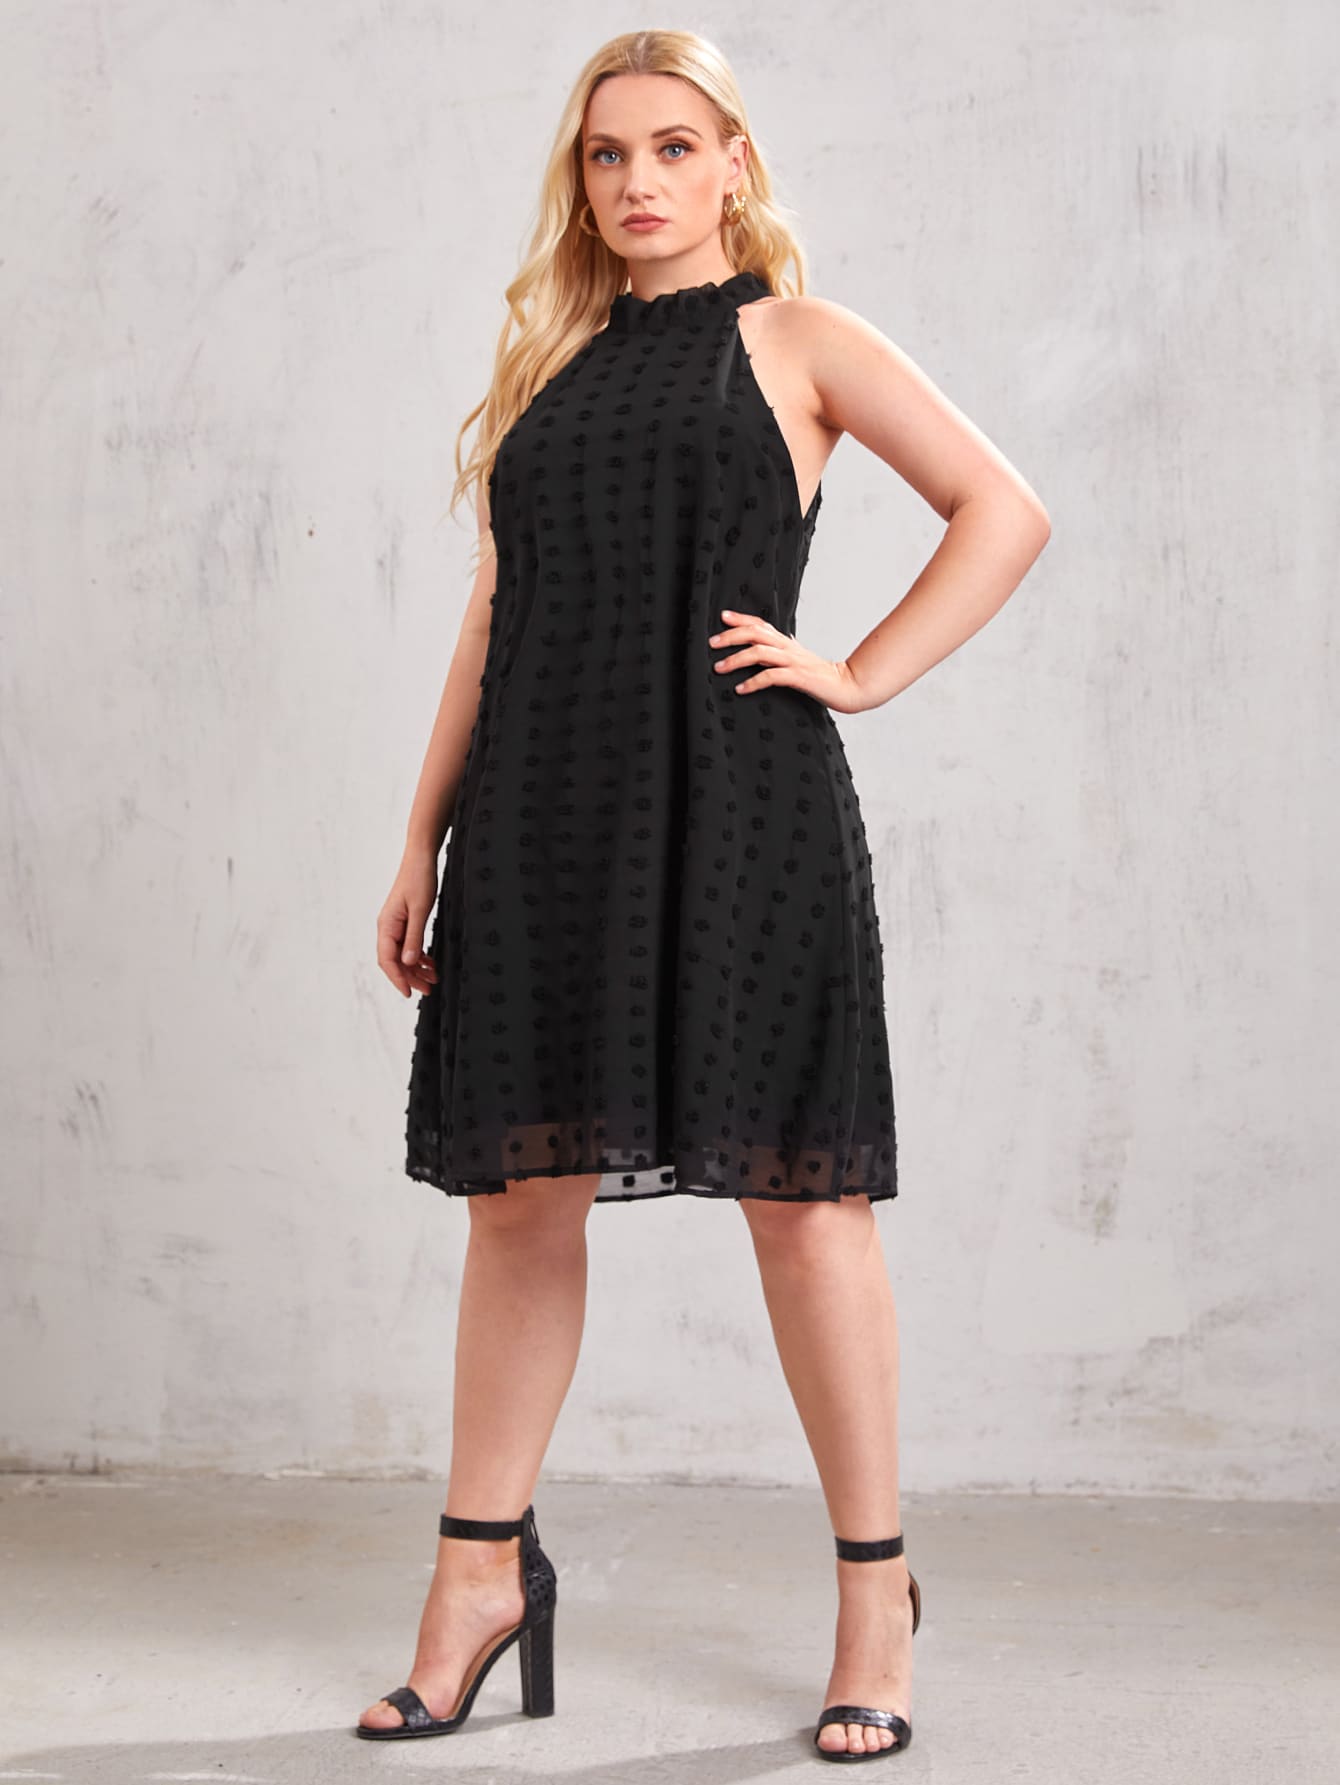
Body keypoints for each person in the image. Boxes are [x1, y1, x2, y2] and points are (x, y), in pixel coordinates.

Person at [360, 28, 1050, 1763]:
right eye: (608, 155)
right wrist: (421, 834)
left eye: (675, 146)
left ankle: (877, 1595)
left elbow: (1001, 508)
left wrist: (861, 671)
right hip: (541, 821)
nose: (639, 181)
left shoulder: (798, 339)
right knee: (517, 1199)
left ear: (734, 163)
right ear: (580, 180)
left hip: (740, 812)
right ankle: (475, 1578)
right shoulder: (553, 369)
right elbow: (494, 615)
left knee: (805, 1205)